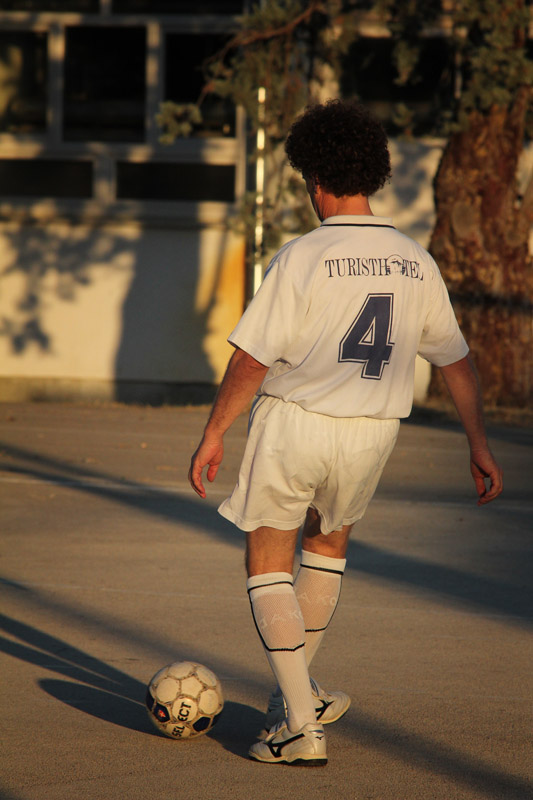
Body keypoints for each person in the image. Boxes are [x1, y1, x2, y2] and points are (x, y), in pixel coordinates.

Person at [188, 99, 503, 767]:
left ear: (315, 179)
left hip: (296, 423)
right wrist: (477, 445)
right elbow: (455, 361)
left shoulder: (303, 256)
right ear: (372, 173)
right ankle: (295, 700)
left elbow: (251, 359)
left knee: (267, 562)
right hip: (372, 432)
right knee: (326, 549)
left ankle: (301, 727)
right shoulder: (413, 260)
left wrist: (214, 432)